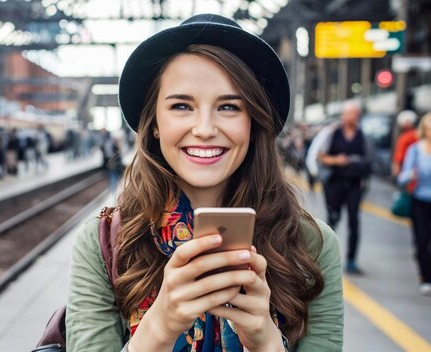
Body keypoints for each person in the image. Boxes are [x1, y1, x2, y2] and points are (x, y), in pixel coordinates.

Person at [66, 14, 343, 352]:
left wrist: (266, 343)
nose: (205, 129)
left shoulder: (311, 246)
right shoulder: (105, 242)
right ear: (154, 123)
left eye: (228, 107)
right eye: (182, 106)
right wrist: (158, 330)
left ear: (253, 122)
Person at [318, 101, 372, 275]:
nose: (352, 117)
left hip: (355, 185)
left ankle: (351, 261)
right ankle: (324, 258)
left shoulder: (363, 136)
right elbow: (321, 156)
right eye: (349, 113)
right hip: (335, 183)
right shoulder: (333, 133)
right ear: (343, 115)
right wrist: (337, 161)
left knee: (354, 222)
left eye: (355, 114)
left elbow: (369, 159)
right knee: (332, 220)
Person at [397, 112, 431, 296]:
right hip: (420, 201)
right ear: (425, 129)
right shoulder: (416, 150)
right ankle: (426, 278)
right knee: (422, 240)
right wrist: (411, 175)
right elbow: (402, 177)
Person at [392, 110, 418, 179]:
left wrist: (396, 168)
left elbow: (399, 155)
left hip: (406, 168)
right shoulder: (418, 134)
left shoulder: (404, 137)